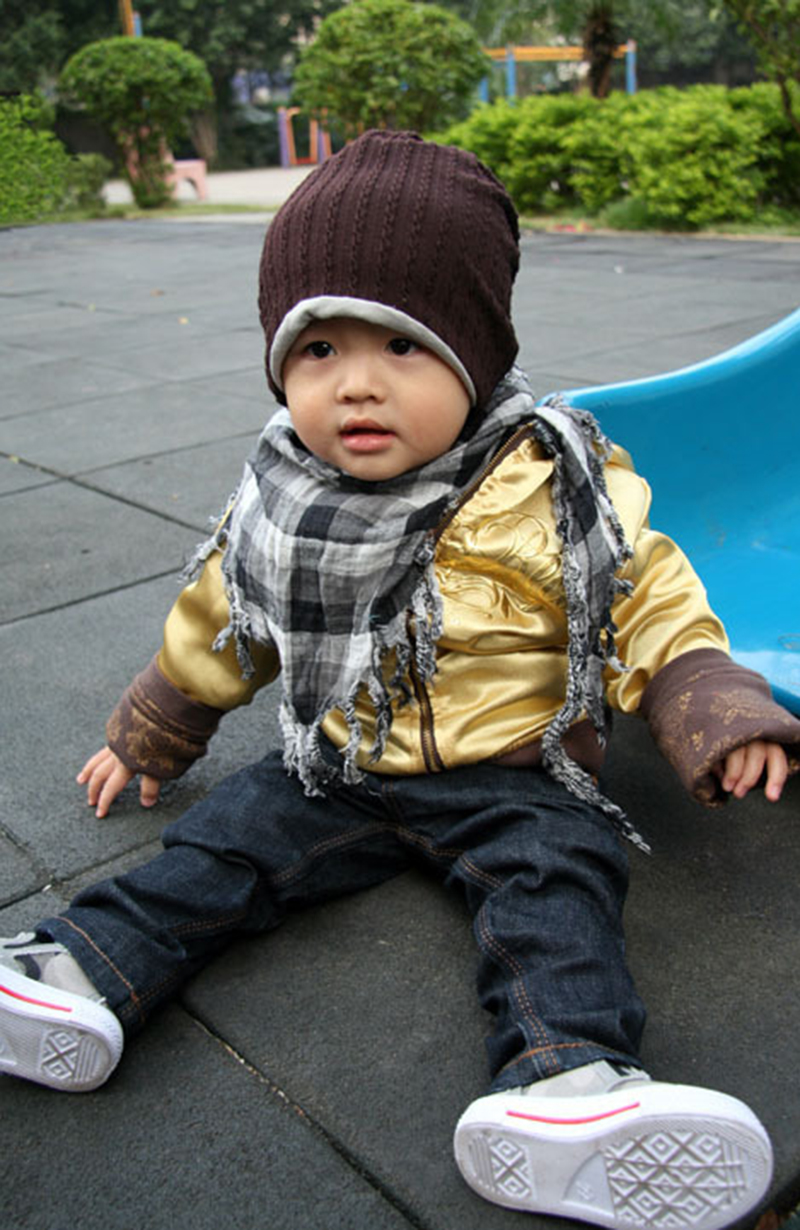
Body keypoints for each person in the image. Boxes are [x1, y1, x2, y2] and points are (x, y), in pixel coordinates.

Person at [2, 131, 798, 1230]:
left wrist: (712, 704)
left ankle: (566, 1084)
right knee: (221, 847)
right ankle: (79, 975)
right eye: (319, 347)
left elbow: (643, 596)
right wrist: (157, 725)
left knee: (556, 890)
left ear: (473, 358)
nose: (356, 383)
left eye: (403, 345)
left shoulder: (545, 485)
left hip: (513, 771)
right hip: (342, 757)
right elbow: (229, 622)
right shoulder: (284, 496)